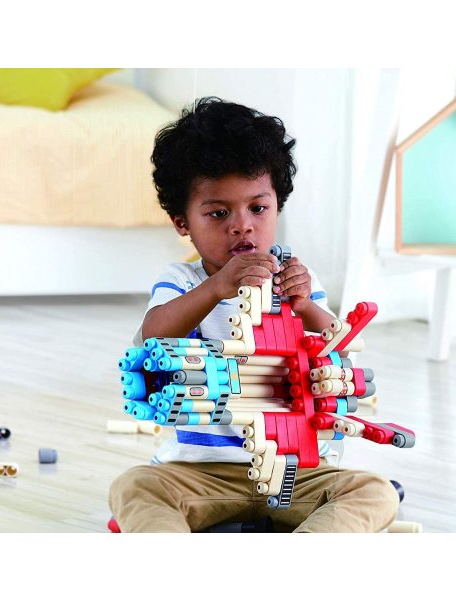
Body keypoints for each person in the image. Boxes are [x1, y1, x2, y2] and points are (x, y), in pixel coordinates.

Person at [109, 97, 399, 532]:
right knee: (135, 487)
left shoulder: (297, 280)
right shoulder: (184, 281)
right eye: (218, 213)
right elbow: (152, 337)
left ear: (278, 205)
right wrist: (216, 288)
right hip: (201, 473)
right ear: (182, 222)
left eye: (258, 208)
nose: (242, 225)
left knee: (374, 491)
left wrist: (306, 307)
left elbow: (340, 347)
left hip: (297, 470)